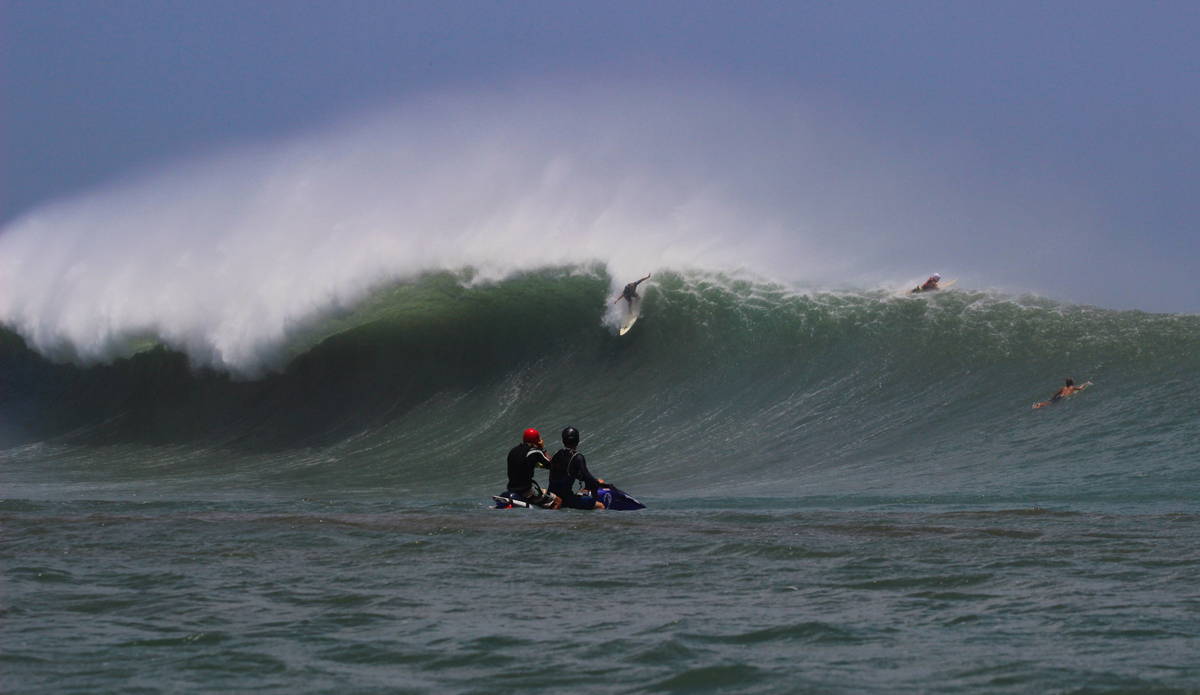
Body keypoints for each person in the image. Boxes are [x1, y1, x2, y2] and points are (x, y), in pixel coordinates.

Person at [547, 426, 606, 510]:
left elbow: (562, 473)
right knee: (601, 506)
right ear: (577, 441)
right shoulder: (577, 457)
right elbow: (586, 475)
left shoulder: (555, 454)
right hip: (566, 499)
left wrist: (578, 476)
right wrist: (597, 481)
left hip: (552, 497)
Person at [506, 428, 561, 508]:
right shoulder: (534, 451)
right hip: (526, 491)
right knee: (558, 501)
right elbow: (550, 465)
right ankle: (549, 520)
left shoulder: (513, 450)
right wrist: (543, 448)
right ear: (537, 441)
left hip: (511, 488)